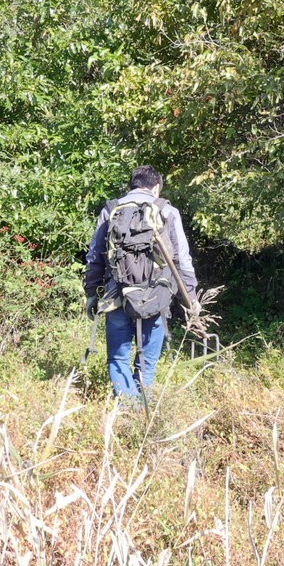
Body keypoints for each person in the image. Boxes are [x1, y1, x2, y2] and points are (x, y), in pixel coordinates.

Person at [83, 166, 197, 404]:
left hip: (117, 295)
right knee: (147, 361)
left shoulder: (110, 210)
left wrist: (91, 294)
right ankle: (143, 408)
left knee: (118, 359)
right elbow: (182, 261)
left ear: (131, 186)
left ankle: (129, 408)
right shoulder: (168, 211)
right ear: (156, 188)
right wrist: (191, 297)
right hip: (157, 295)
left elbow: (94, 257)